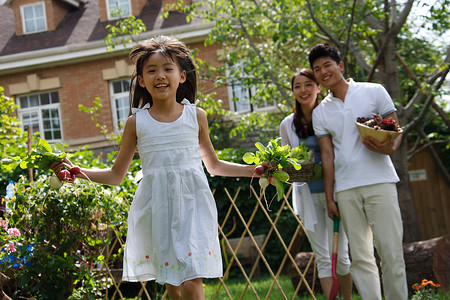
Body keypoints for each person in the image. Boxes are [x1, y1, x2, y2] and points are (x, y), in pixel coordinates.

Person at [51, 36, 256, 300]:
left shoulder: (197, 116)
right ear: (141, 80)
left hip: (193, 205)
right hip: (157, 210)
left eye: (167, 69)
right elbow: (116, 175)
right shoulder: (137, 123)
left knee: (193, 280)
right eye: (152, 70)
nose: (160, 75)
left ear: (182, 76)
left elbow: (214, 165)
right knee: (172, 285)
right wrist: (78, 172)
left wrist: (255, 170)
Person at [308, 43, 408, 300]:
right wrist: (330, 197)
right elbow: (327, 156)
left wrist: (388, 148)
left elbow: (396, 130)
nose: (323, 71)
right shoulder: (320, 113)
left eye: (327, 65)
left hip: (380, 182)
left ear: (340, 66)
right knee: (361, 258)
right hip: (346, 190)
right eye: (317, 69)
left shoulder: (374, 91)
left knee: (391, 252)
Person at [280, 68, 352, 300]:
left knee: (341, 258)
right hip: (308, 198)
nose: (303, 90)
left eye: (308, 84)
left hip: (337, 196)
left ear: (319, 87)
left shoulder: (330, 114)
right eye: (297, 86)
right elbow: (286, 161)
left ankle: (349, 298)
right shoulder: (288, 124)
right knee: (322, 258)